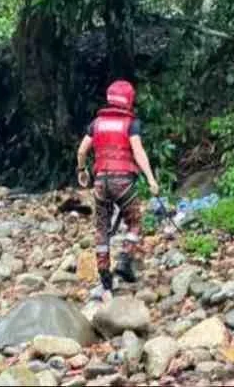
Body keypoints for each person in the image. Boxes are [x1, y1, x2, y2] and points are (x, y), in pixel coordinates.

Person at [76, 79, 160, 301]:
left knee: (102, 228)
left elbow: (82, 151)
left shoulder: (96, 124)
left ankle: (105, 281)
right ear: (129, 100)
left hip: (100, 182)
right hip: (123, 182)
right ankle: (124, 259)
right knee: (135, 221)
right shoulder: (131, 124)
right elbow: (138, 152)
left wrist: (82, 170)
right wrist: (151, 179)